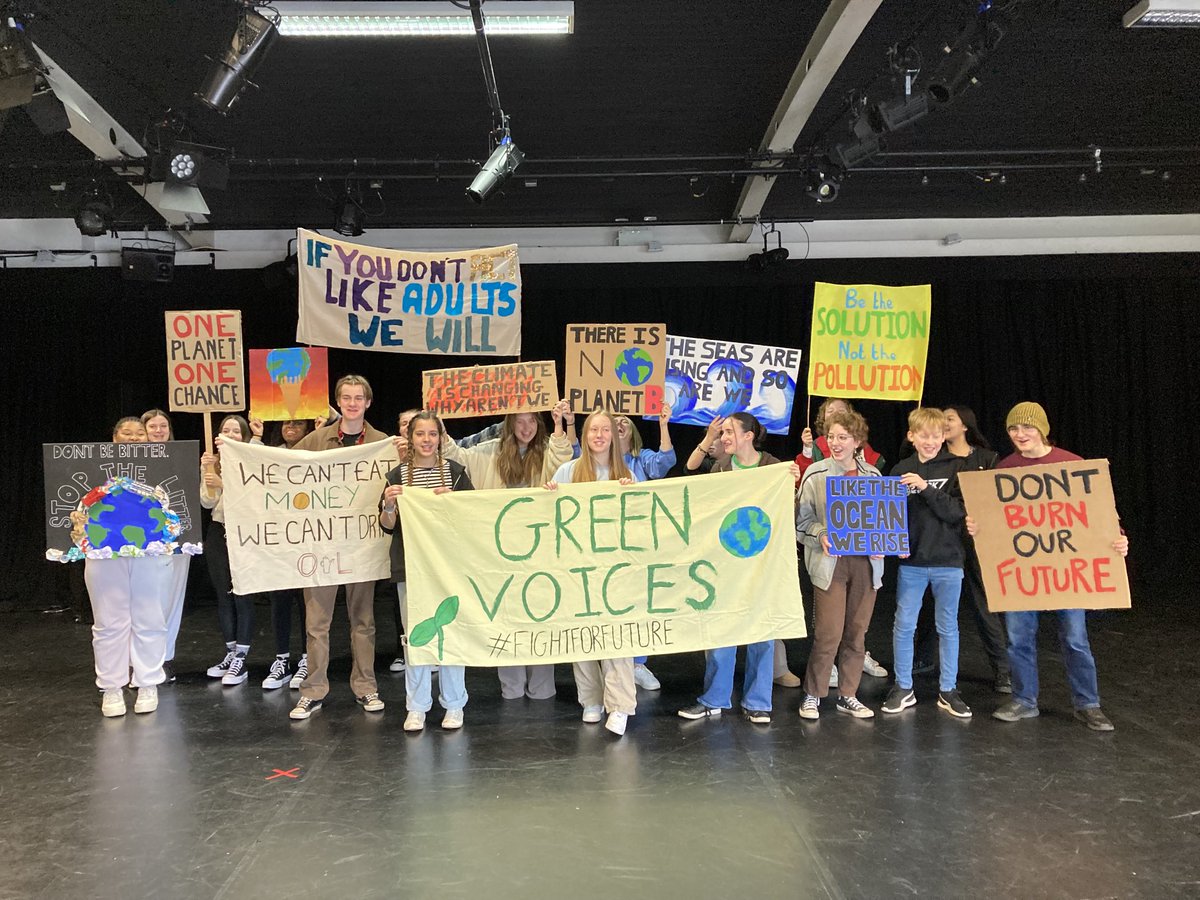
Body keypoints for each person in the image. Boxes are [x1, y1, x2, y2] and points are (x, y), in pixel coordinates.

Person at [968, 402, 1128, 732]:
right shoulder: (1006, 468)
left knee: (1074, 638)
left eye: (1027, 428)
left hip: (1066, 570)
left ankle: (1088, 704)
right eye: (1013, 429)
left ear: (1043, 430)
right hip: (1024, 572)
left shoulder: (1071, 463)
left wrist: (1118, 538)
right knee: (1019, 638)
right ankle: (1025, 700)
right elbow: (998, 521)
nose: (1020, 434)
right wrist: (978, 527)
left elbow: (1097, 511)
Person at [441, 402, 573, 701]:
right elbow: (456, 456)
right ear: (510, 424)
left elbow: (563, 458)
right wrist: (440, 422)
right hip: (499, 551)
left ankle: (541, 687)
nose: (526, 428)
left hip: (539, 550)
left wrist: (559, 425)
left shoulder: (545, 454)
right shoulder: (491, 452)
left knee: (541, 615)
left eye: (532, 422)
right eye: (520, 422)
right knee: (506, 617)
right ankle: (511, 686)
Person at [677, 412, 800, 725]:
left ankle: (758, 702)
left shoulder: (773, 467)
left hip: (763, 564)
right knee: (723, 628)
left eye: (730, 432)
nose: (725, 437)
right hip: (727, 563)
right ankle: (715, 699)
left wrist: (792, 483)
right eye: (723, 433)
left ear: (749, 435)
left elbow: (789, 511)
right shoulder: (722, 467)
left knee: (762, 631)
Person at [289, 375, 389, 720]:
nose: (352, 403)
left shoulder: (381, 443)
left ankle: (366, 686)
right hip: (321, 546)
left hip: (362, 546)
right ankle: (313, 690)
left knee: (364, 621)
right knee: (317, 623)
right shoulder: (317, 440)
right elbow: (276, 465)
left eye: (358, 398)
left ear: (368, 403)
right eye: (346, 397)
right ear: (338, 401)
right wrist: (240, 447)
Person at [545, 410, 637, 736]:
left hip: (614, 569)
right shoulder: (569, 470)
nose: (599, 435)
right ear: (584, 435)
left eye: (605, 430)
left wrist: (632, 495)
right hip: (577, 567)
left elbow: (639, 519)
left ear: (613, 435)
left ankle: (621, 705)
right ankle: (592, 700)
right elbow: (551, 514)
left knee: (616, 637)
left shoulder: (625, 472)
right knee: (581, 636)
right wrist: (550, 495)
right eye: (593, 430)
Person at [381, 411, 475, 731]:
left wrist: (456, 504)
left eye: (432, 434)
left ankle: (454, 704)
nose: (426, 440)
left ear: (440, 437)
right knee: (416, 637)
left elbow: (474, 519)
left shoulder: (457, 473)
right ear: (411, 438)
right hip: (411, 567)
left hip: (449, 567)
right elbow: (387, 525)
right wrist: (389, 505)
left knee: (451, 633)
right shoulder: (396, 477)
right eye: (419, 434)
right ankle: (417, 706)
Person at [73, 417, 174, 716]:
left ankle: (147, 683)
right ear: (114, 437)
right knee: (108, 622)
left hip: (150, 553)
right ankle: (112, 688)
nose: (132, 438)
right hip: (103, 554)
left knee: (150, 617)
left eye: (139, 434)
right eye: (125, 433)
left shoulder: (162, 470)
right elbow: (77, 511)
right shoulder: (95, 471)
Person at [910, 406, 1011, 693]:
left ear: (965, 425)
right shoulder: (935, 461)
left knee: (983, 606)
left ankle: (1003, 670)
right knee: (929, 603)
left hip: (975, 542)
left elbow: (995, 501)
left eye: (949, 419)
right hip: (941, 542)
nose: (943, 423)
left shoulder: (986, 458)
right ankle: (923, 658)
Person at [882, 408, 972, 718]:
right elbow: (887, 515)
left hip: (949, 560)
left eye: (936, 436)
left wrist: (924, 487)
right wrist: (894, 541)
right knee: (904, 625)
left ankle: (948, 690)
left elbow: (956, 512)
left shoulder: (958, 467)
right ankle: (903, 686)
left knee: (947, 627)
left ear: (944, 436)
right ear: (912, 436)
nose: (930, 441)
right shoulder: (900, 469)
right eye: (923, 435)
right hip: (912, 562)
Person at [795, 408, 884, 720]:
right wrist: (820, 534)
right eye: (831, 437)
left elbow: (884, 521)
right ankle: (813, 694)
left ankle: (848, 694)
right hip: (830, 563)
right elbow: (802, 519)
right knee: (828, 633)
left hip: (865, 564)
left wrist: (886, 543)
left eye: (843, 437)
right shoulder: (817, 474)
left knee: (857, 632)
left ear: (857, 441)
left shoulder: (873, 476)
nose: (835, 443)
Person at [615, 408, 676, 692]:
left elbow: (666, 462)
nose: (619, 424)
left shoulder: (643, 459)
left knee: (640, 604)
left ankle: (638, 664)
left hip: (640, 546)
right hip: (607, 545)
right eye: (612, 422)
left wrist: (663, 424)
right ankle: (615, 665)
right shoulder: (596, 462)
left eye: (624, 421)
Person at [199, 415, 260, 687]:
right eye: (227, 430)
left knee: (242, 595)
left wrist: (256, 438)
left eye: (237, 431)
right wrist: (208, 473)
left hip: (244, 533)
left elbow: (254, 495)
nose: (232, 434)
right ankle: (231, 652)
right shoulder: (214, 463)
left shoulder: (252, 459)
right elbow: (206, 501)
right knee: (223, 595)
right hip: (218, 530)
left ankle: (242, 658)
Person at [259, 419, 312, 691]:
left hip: (308, 538)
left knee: (306, 603)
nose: (290, 427)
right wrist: (255, 438)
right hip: (278, 540)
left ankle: (305, 659)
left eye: (298, 424)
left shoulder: (315, 453)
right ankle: (281, 660)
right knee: (279, 600)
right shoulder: (269, 454)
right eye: (286, 423)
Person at [141, 408, 187, 684]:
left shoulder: (181, 458)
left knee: (172, 599)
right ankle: (141, 659)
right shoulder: (131, 463)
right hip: (143, 542)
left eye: (163, 427)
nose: (159, 431)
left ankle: (165, 658)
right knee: (146, 600)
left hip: (178, 540)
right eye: (153, 427)